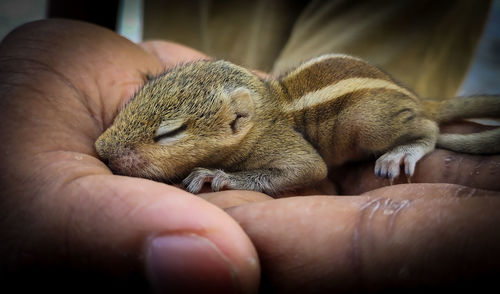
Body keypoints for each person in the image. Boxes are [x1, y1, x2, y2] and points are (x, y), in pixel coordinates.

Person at [0, 18, 499, 294]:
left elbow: (310, 167)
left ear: (237, 123)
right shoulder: (241, 121)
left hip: (369, 104)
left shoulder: (266, 135)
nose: (108, 147)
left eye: (168, 133)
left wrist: (238, 180)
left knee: (372, 110)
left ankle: (422, 135)